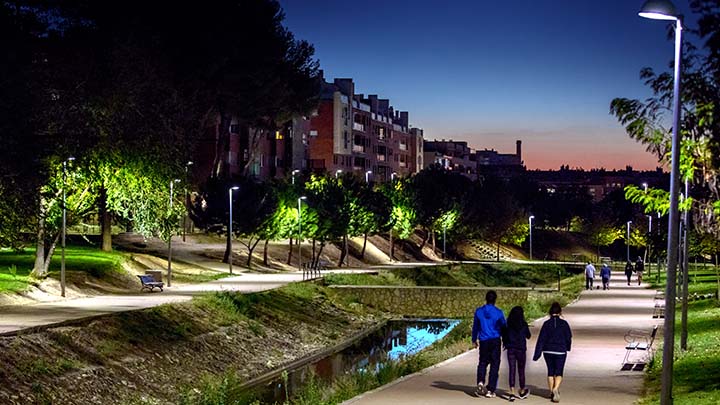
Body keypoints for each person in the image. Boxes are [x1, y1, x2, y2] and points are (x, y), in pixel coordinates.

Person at [533, 302, 572, 403]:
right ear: (560, 312)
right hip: (560, 350)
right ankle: (556, 388)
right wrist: (567, 347)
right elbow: (568, 337)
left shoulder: (546, 324)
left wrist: (538, 353)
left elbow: (541, 339)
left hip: (548, 350)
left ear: (550, 312)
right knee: (559, 372)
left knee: (550, 371)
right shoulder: (564, 324)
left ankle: (551, 392)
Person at [472, 290, 506, 398]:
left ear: (486, 299)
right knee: (495, 365)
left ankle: (480, 382)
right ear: (495, 300)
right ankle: (490, 389)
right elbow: (504, 327)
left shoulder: (479, 311)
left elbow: (475, 327)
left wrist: (474, 339)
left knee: (482, 362)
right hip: (495, 340)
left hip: (483, 340)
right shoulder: (498, 312)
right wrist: (505, 340)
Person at [502, 306, 531, 402]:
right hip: (521, 349)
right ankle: (522, 390)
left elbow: (504, 336)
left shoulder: (508, 325)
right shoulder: (523, 324)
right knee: (521, 370)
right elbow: (528, 336)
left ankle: (512, 392)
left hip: (511, 349)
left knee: (512, 370)